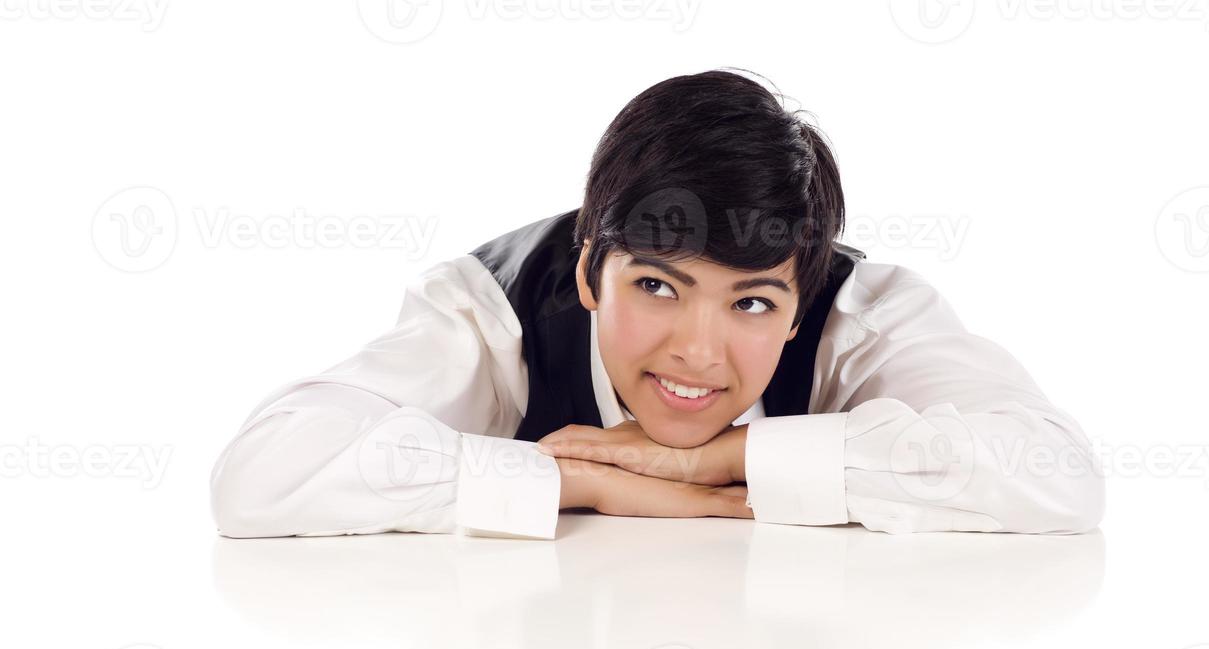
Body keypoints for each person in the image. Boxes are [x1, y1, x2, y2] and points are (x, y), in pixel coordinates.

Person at [209, 68, 1104, 540]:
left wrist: (720, 462)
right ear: (591, 268)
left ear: (798, 305)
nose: (698, 353)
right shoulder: (489, 310)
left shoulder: (863, 313)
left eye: (751, 305)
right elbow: (260, 473)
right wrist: (571, 477)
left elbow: (1059, 474)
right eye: (655, 288)